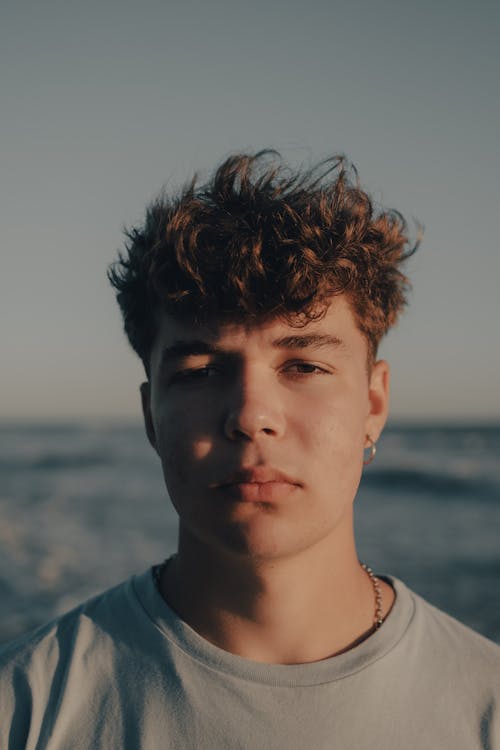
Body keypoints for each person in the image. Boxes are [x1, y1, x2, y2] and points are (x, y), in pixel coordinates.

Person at [1, 151, 499, 749]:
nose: (250, 416)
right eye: (200, 371)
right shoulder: (25, 708)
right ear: (149, 416)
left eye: (304, 364)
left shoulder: (484, 706)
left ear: (372, 405)